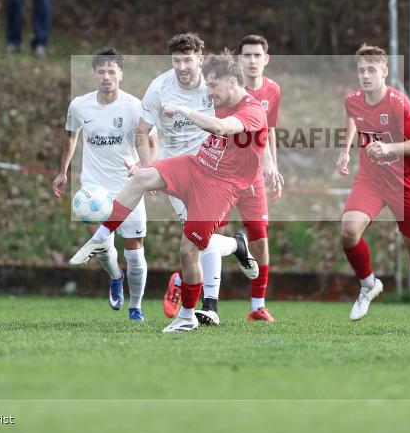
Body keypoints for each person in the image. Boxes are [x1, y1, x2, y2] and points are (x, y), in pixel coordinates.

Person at [77, 51, 265, 332]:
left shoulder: (252, 109)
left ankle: (188, 315)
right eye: (208, 86)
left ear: (233, 82)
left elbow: (221, 128)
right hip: (196, 166)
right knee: (142, 178)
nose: (209, 92)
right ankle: (101, 237)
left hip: (220, 187)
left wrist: (183, 109)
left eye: (213, 86)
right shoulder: (220, 97)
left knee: (190, 251)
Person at [137, 34, 263, 326]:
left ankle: (207, 306)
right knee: (199, 241)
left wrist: (255, 169)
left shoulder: (215, 86)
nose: (182, 66)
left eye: (187, 59)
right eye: (176, 60)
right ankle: (234, 247)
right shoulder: (160, 87)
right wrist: (148, 167)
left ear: (200, 59)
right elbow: (142, 131)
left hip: (213, 172)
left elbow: (240, 129)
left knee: (196, 242)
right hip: (178, 172)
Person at [335, 44, 410, 324]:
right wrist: (345, 150)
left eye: (371, 70)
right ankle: (369, 284)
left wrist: (389, 149)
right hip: (370, 180)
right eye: (361, 70)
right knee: (348, 232)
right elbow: (353, 119)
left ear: (384, 72)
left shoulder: (398, 103)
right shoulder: (352, 99)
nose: (365, 75)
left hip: (402, 183)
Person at [53, 49, 156, 321]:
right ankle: (115, 276)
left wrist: (147, 169)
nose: (107, 77)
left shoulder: (136, 107)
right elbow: (70, 136)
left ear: (121, 74)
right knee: (102, 245)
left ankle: (136, 307)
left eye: (112, 72)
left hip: (129, 187)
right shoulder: (79, 105)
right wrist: (62, 172)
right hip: (93, 189)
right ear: (94, 74)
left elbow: (152, 141)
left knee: (134, 252)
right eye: (101, 72)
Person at [229, 34, 283, 322]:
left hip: (256, 176)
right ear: (239, 59)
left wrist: (272, 165)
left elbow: (268, 130)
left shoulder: (273, 90)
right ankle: (200, 296)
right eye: (247, 55)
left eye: (257, 55)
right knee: (207, 236)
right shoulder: (228, 89)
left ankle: (257, 306)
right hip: (224, 175)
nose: (252, 60)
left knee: (260, 239)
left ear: (266, 59)